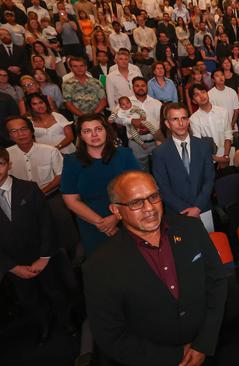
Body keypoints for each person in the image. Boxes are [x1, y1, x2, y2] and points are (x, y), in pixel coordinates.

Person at [83, 170, 227, 365]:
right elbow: (110, 335)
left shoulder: (191, 228)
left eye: (153, 197)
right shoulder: (99, 265)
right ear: (116, 211)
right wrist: (173, 358)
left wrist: (204, 343)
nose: (149, 208)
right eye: (136, 202)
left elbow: (217, 282)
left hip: (209, 349)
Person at [0, 147, 74, 345]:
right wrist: (11, 267)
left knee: (56, 291)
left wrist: (44, 257)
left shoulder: (29, 188)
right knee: (29, 299)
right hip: (13, 263)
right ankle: (44, 325)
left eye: (0, 164)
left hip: (42, 256)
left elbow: (47, 223)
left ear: (8, 164)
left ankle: (67, 322)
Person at [61, 114, 141, 256]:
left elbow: (138, 189)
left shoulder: (124, 155)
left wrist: (116, 217)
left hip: (128, 218)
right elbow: (71, 201)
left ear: (106, 131)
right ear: (80, 135)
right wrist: (102, 224)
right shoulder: (71, 161)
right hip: (92, 223)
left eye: (98, 129)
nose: (94, 134)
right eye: (87, 131)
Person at [152, 103, 215, 232]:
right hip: (177, 212)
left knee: (210, 245)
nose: (180, 123)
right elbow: (163, 187)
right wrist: (184, 210)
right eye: (175, 119)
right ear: (167, 124)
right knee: (184, 250)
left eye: (184, 118)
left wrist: (197, 207)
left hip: (203, 208)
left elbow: (209, 179)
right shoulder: (160, 153)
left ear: (188, 121)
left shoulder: (203, 146)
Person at [189, 84, 233, 170]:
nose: (201, 96)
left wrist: (226, 156)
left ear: (207, 93)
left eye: (203, 92)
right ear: (194, 101)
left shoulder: (223, 111)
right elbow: (199, 145)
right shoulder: (193, 119)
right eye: (197, 95)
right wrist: (218, 159)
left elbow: (228, 135)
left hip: (227, 154)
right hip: (209, 161)